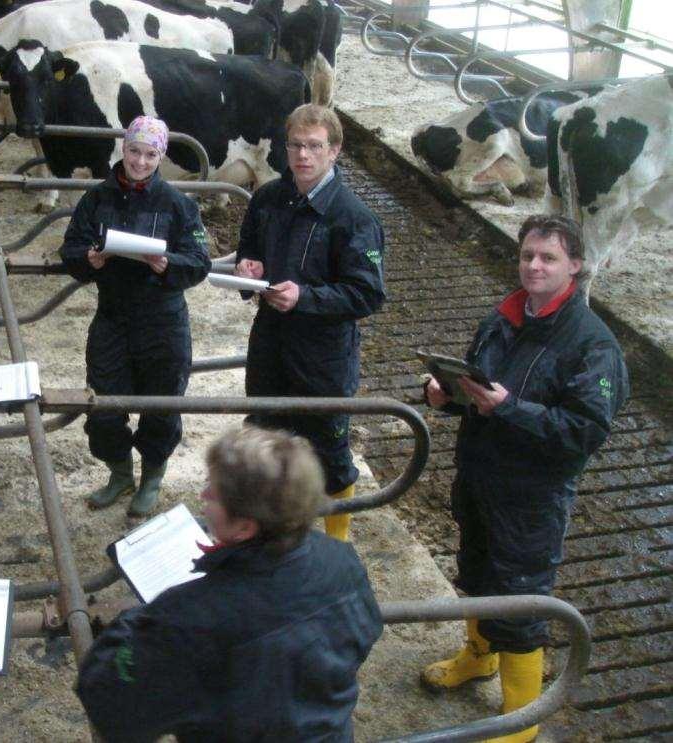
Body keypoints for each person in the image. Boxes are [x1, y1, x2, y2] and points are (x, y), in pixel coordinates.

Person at [419, 215, 628, 743]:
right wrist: (446, 394)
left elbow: (583, 431)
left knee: (519, 603)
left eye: (549, 258)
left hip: (532, 497)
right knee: (475, 573)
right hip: (479, 477)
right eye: (527, 255)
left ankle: (520, 725)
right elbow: (475, 382)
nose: (534, 266)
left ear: (575, 266)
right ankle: (477, 659)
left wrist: (510, 410)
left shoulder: (593, 344)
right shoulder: (504, 316)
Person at [75, 426, 383, 742]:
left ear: (245, 527)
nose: (203, 494)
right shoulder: (342, 560)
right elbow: (367, 633)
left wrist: (140, 622)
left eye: (214, 490)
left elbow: (109, 703)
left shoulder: (188, 618)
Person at [234, 103, 386, 543]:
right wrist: (249, 271)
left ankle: (336, 542)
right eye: (296, 145)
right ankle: (272, 531)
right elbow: (249, 250)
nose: (303, 156)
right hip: (270, 343)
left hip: (323, 355)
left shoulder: (354, 217)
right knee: (265, 435)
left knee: (330, 451)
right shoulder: (266, 199)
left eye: (314, 146)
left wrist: (305, 297)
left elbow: (367, 293)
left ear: (334, 151)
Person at [59, 115, 210, 517]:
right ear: (122, 149)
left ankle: (151, 479)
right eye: (134, 152)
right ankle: (119, 473)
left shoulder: (179, 205)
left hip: (163, 321)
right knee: (104, 403)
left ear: (161, 156)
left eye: (150, 154)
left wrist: (166, 264)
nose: (140, 162)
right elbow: (70, 249)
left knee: (161, 404)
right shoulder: (96, 199)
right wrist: (88, 258)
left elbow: (199, 262)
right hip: (113, 317)